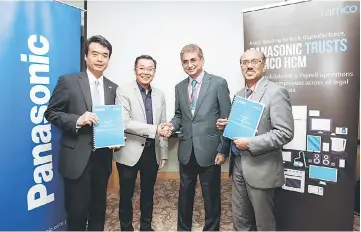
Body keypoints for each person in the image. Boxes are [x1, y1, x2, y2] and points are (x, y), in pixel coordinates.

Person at [45, 35, 118, 231]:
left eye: (105, 55)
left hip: (102, 159)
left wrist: (116, 137)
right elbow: (51, 113)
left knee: (98, 210)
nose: (100, 59)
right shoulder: (68, 81)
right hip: (76, 158)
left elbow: (114, 121)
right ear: (86, 56)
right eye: (95, 54)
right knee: (76, 212)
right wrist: (77, 119)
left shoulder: (113, 88)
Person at [216, 49, 294, 231]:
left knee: (263, 222)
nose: (249, 65)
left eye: (254, 61)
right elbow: (242, 128)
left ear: (264, 66)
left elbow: (284, 132)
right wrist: (227, 126)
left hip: (262, 168)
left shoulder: (276, 92)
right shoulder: (239, 94)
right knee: (240, 219)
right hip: (238, 165)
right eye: (244, 62)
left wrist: (250, 143)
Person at [166, 44, 232, 231]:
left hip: (211, 152)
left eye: (193, 60)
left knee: (211, 197)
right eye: (185, 62)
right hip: (186, 150)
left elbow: (226, 120)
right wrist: (172, 125)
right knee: (184, 195)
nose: (189, 65)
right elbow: (179, 115)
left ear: (202, 60)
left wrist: (223, 149)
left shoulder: (218, 83)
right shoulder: (179, 87)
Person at [113, 55, 170, 231]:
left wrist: (163, 152)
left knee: (148, 194)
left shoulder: (160, 94)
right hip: (128, 151)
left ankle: (146, 227)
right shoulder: (123, 90)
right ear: (135, 69)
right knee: (126, 195)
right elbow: (124, 122)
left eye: (150, 69)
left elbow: (163, 122)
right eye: (142, 68)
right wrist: (154, 130)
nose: (146, 72)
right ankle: (126, 228)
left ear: (154, 71)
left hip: (151, 152)